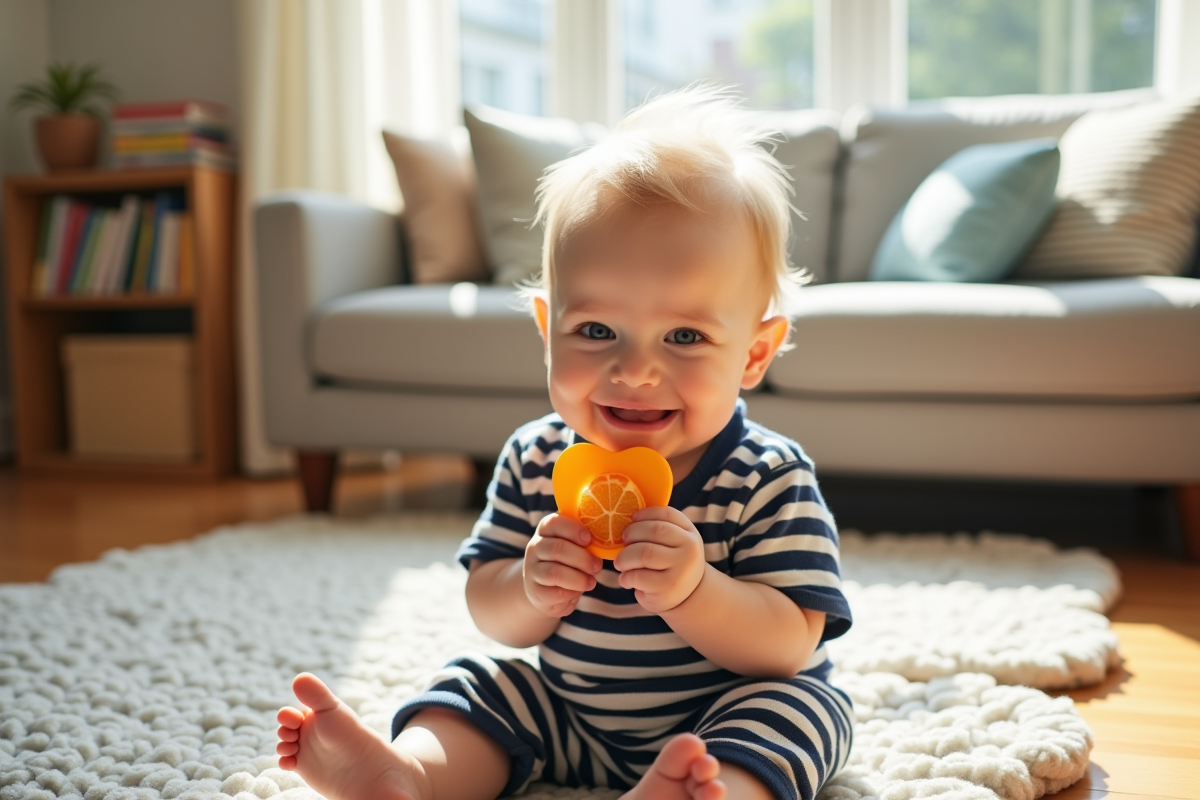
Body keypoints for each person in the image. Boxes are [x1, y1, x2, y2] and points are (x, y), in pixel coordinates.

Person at [275, 84, 853, 800]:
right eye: (597, 331)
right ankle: (412, 775)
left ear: (754, 356)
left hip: (722, 714)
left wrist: (695, 590)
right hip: (569, 718)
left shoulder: (766, 476)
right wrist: (530, 586)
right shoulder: (537, 457)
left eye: (684, 336)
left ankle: (704, 790)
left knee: (800, 711)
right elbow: (489, 605)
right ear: (549, 330)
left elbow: (791, 639)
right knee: (482, 684)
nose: (635, 370)